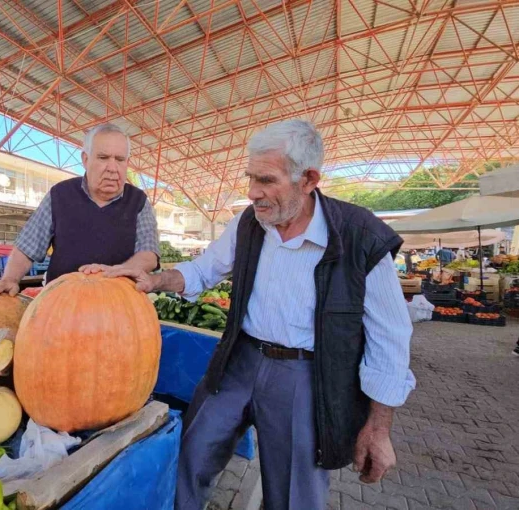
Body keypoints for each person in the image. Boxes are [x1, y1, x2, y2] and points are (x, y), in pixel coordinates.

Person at [104, 120, 415, 510]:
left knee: (294, 493)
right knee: (194, 453)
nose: (253, 193)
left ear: (308, 180)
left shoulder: (360, 237)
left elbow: (390, 338)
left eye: (266, 180)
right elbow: (203, 270)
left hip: (304, 375)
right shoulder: (250, 223)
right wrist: (155, 280)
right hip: (240, 361)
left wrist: (378, 427)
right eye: (251, 178)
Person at [0, 123, 159, 301]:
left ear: (127, 162)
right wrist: (9, 279)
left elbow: (148, 254)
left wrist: (115, 273)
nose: (112, 168)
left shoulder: (138, 201)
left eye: (119, 159)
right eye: (103, 158)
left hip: (119, 304)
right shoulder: (60, 195)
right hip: (60, 305)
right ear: (85, 159)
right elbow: (27, 247)